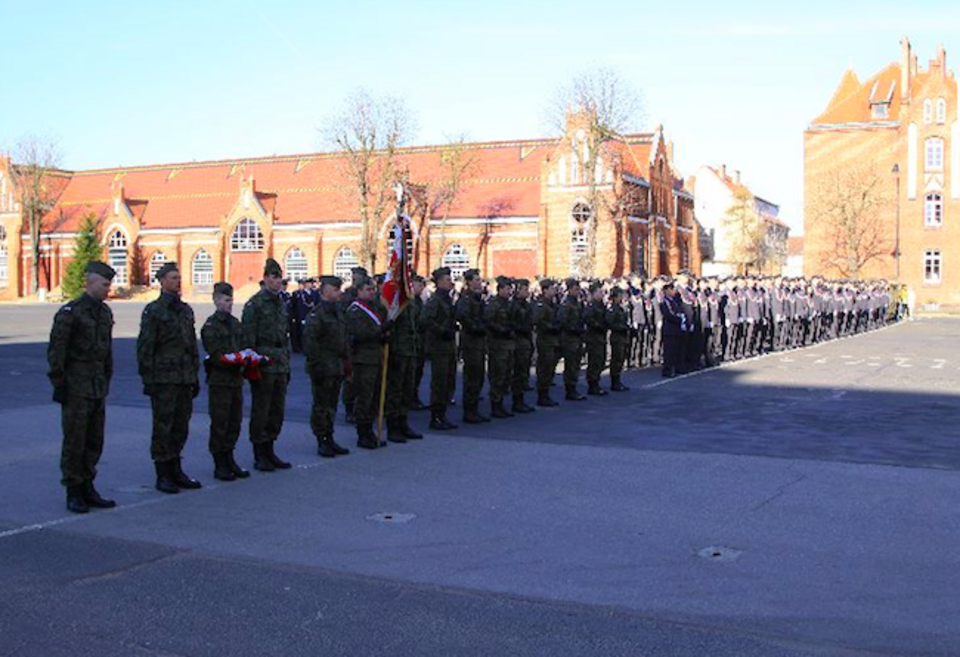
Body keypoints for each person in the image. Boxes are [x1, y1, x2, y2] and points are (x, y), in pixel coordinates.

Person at [48, 261, 117, 514]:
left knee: (94, 440)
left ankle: (88, 485)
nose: (108, 289)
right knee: (75, 440)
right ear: (90, 282)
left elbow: (106, 352)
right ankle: (73, 490)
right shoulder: (71, 312)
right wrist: (60, 383)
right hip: (76, 387)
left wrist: (106, 379)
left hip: (97, 386)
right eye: (105, 284)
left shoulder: (104, 313)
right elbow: (57, 352)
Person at [137, 262, 202, 494]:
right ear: (162, 281)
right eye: (173, 277)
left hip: (184, 377)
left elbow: (191, 346)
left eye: (178, 277)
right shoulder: (154, 311)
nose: (177, 281)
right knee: (163, 426)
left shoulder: (185, 310)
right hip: (164, 378)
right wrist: (149, 379)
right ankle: (162, 473)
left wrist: (194, 376)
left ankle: (176, 468)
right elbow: (145, 347)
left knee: (180, 425)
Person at [241, 258, 293, 472]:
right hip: (263, 361)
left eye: (279, 277)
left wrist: (287, 359)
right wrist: (253, 364)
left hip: (280, 362)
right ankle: (259, 453)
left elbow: (285, 334)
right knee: (261, 409)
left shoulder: (281, 303)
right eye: (273, 277)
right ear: (265, 278)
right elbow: (248, 339)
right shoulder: (255, 305)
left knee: (276, 409)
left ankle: (270, 449)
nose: (277, 281)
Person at [200, 282, 250, 481]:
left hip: (236, 379)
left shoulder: (235, 323)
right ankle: (219, 462)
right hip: (220, 381)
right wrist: (233, 359)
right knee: (220, 422)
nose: (230, 304)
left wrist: (246, 358)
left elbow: (243, 345)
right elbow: (215, 353)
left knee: (234, 421)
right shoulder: (211, 326)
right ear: (216, 301)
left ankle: (230, 457)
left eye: (231, 300)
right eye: (226, 300)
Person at [303, 276, 351, 458]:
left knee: (331, 404)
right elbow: (310, 345)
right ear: (325, 291)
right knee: (321, 406)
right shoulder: (317, 314)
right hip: (323, 367)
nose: (339, 292)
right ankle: (321, 440)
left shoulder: (338, 312)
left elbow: (343, 339)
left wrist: (346, 363)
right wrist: (317, 368)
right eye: (335, 289)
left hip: (336, 366)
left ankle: (329, 437)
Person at [345, 276, 389, 449]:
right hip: (363, 360)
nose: (372, 292)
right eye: (368, 289)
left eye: (373, 289)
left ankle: (370, 430)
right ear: (359, 291)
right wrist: (382, 330)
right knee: (364, 396)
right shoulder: (355, 310)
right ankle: (362, 434)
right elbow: (362, 334)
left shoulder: (373, 308)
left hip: (375, 357)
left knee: (374, 396)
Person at [421, 267, 458, 430]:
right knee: (440, 382)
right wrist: (442, 330)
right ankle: (436, 417)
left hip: (448, 345)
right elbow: (425, 321)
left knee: (448, 380)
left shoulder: (446, 299)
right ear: (440, 282)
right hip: (439, 346)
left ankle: (442, 415)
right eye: (447, 279)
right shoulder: (435, 301)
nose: (451, 282)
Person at [456, 268, 489, 423]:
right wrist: (477, 327)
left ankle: (474, 408)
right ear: (468, 282)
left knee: (479, 376)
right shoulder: (466, 299)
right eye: (476, 280)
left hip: (479, 342)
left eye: (479, 279)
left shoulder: (478, 299)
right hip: (471, 342)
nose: (479, 282)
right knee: (472, 377)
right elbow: (463, 317)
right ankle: (469, 411)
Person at [484, 276, 516, 418]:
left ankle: (501, 403)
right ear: (500, 289)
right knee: (498, 374)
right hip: (497, 344)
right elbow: (489, 322)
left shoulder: (508, 304)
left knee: (506, 374)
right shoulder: (494, 304)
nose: (510, 291)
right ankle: (495, 405)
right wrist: (501, 329)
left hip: (508, 344)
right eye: (507, 288)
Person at [557, 278, 587, 401]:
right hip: (569, 338)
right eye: (575, 289)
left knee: (576, 364)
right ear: (569, 289)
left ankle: (573, 388)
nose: (577, 291)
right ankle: (569, 390)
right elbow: (563, 321)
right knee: (570, 365)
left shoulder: (577, 302)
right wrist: (574, 329)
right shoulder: (566, 303)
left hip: (577, 338)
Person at [510, 278, 537, 413]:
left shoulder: (526, 305)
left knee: (523, 372)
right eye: (525, 289)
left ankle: (520, 400)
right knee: (518, 372)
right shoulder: (514, 305)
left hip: (526, 340)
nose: (528, 291)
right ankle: (516, 401)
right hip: (518, 341)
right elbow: (512, 323)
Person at [534, 278, 561, 407]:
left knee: (550, 368)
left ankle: (546, 393)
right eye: (551, 288)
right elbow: (539, 322)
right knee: (544, 368)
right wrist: (551, 327)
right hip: (545, 340)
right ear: (545, 290)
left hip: (553, 340)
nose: (554, 290)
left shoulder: (553, 304)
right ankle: (542, 395)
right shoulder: (541, 305)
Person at [582, 281, 609, 396]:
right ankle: (592, 385)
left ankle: (596, 382)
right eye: (599, 292)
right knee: (594, 361)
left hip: (600, 337)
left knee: (600, 360)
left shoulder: (601, 305)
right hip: (593, 337)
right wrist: (598, 325)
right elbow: (588, 319)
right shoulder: (591, 305)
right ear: (593, 294)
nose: (602, 294)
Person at [606, 286, 630, 391]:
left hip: (622, 336)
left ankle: (618, 380)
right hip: (616, 336)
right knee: (616, 359)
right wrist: (622, 327)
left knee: (621, 359)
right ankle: (614, 382)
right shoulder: (612, 308)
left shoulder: (620, 307)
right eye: (620, 295)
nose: (622, 297)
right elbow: (610, 323)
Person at [660, 280, 683, 378]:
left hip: (675, 328)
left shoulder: (673, 301)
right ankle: (667, 370)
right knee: (669, 351)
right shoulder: (665, 301)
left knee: (674, 350)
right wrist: (679, 319)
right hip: (669, 328)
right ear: (667, 290)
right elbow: (669, 315)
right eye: (672, 289)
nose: (673, 291)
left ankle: (673, 368)